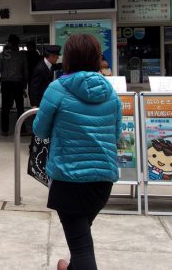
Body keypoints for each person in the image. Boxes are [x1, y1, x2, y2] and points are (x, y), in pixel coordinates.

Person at [33, 34, 122, 270]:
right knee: (80, 240)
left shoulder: (57, 88)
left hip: (68, 178)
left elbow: (39, 129)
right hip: (102, 180)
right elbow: (116, 135)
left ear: (68, 58)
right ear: (96, 58)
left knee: (81, 248)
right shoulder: (111, 92)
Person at [0, 34, 28, 136]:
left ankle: (5, 130)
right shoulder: (22, 55)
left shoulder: (3, 55)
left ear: (9, 43)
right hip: (18, 84)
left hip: (6, 84)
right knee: (20, 108)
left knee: (5, 108)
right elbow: (25, 72)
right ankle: (22, 130)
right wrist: (24, 85)